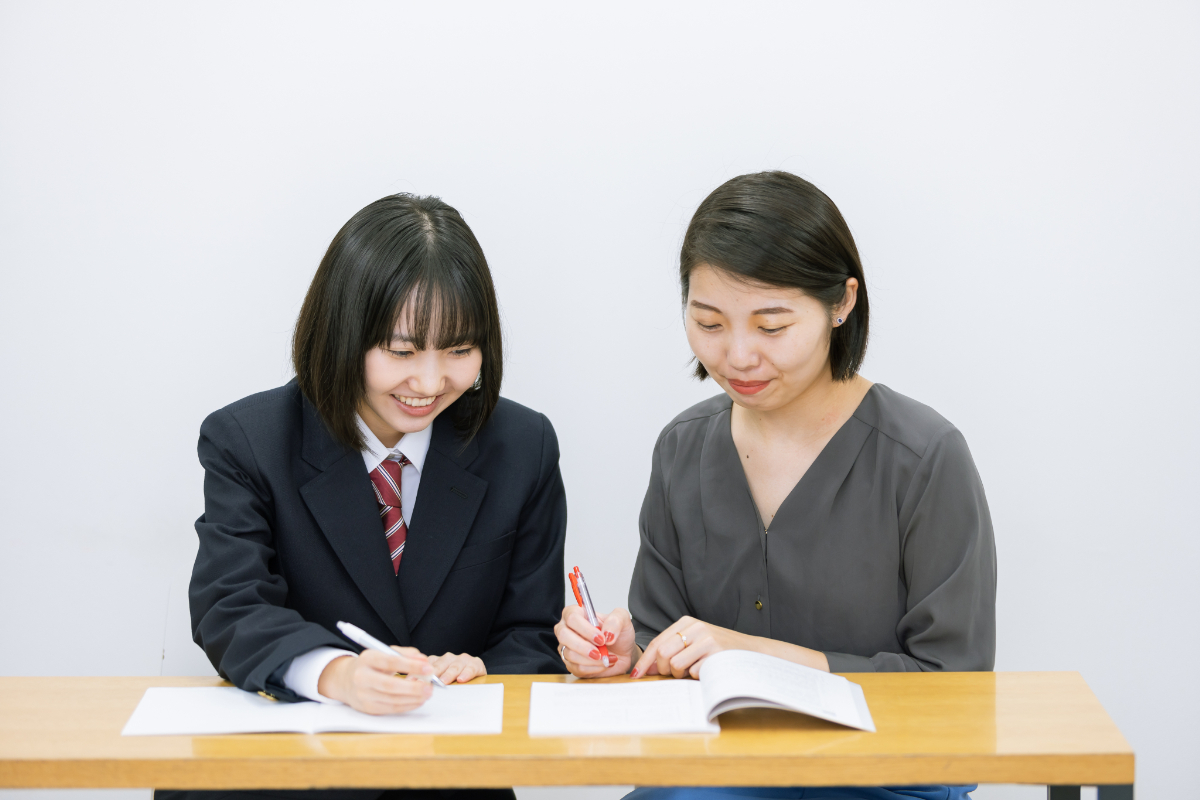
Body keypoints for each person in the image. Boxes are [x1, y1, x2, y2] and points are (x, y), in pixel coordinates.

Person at [554, 171, 996, 800]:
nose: (737, 356)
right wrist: (626, 653)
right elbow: (661, 637)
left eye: (771, 326)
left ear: (841, 303)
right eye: (709, 324)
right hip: (722, 771)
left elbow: (955, 687)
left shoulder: (925, 457)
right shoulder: (683, 448)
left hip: (884, 776)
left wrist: (748, 656)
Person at [164, 194, 567, 800]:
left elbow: (531, 631)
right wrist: (338, 675)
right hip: (286, 776)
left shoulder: (523, 445)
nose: (429, 383)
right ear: (341, 334)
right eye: (402, 351)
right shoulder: (248, 440)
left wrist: (486, 671)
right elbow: (230, 606)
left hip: (448, 775)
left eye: (459, 351)